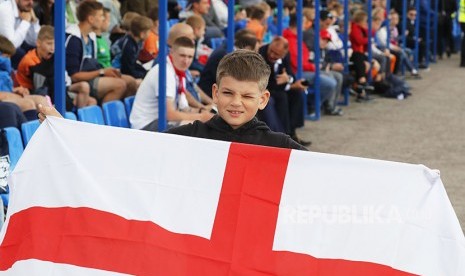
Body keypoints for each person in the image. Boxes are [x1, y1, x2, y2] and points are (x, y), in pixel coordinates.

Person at [38, 50, 307, 150]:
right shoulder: (189, 136)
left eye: (247, 96)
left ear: (263, 99)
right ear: (214, 93)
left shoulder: (279, 145)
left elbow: (325, 177)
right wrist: (65, 130)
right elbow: (125, 149)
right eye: (228, 93)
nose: (236, 102)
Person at [129, 36, 214, 131]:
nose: (186, 61)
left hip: (159, 122)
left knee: (200, 126)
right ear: (172, 53)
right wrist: (201, 117)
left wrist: (202, 111)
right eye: (182, 55)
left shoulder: (178, 71)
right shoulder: (165, 72)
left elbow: (183, 108)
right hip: (146, 126)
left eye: (190, 57)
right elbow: (169, 114)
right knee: (198, 128)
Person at [0, 0, 41, 68]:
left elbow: (35, 41)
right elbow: (10, 46)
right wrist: (25, 22)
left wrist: (33, 22)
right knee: (21, 54)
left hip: (10, 49)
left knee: (38, 50)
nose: (31, 3)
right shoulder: (5, 9)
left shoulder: (23, 9)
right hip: (4, 51)